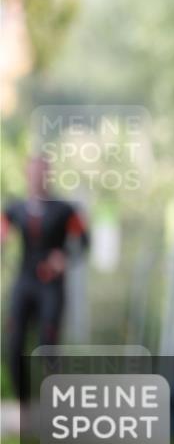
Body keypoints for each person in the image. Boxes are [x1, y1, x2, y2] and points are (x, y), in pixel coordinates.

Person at [1, 155, 89, 402]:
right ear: (26, 174)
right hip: (25, 282)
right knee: (15, 341)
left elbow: (83, 241)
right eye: (33, 172)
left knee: (48, 344)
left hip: (51, 286)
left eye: (42, 172)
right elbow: (3, 232)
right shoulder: (14, 209)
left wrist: (64, 256)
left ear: (48, 175)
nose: (37, 177)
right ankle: (23, 407)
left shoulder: (65, 210)